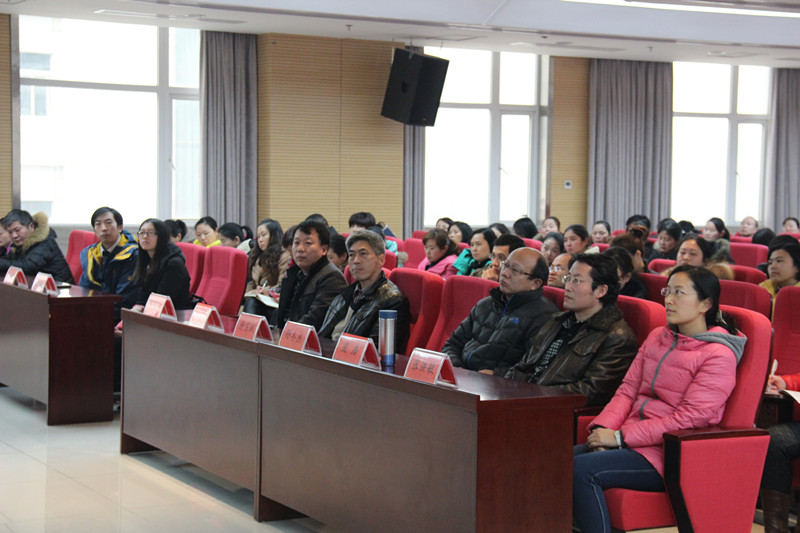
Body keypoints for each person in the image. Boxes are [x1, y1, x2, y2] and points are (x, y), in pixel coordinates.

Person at [573, 266, 744, 533]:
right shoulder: (658, 337)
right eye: (668, 291)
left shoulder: (718, 355)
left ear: (705, 304)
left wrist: (620, 438)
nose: (669, 300)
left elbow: (691, 418)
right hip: (629, 440)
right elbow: (628, 389)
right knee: (552, 460)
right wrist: (603, 430)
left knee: (580, 470)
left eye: (679, 293)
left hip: (669, 453)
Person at [506, 253, 637, 407]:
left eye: (576, 281)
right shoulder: (557, 321)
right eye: (568, 279)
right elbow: (522, 367)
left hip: (552, 409)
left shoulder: (617, 338)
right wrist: (506, 390)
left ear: (601, 291)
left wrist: (533, 395)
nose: (567, 287)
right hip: (524, 400)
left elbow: (589, 392)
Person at [443, 248, 558, 376]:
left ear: (535, 283)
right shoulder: (486, 304)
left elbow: (533, 370)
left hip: (496, 384)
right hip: (462, 377)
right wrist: (456, 369)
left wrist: (496, 375)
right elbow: (452, 344)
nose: (505, 273)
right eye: (506, 265)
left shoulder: (543, 316)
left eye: (515, 270)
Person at [318, 230, 410, 352]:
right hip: (328, 356)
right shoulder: (345, 294)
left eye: (363, 254)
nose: (356, 260)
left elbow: (375, 353)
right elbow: (322, 335)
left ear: (381, 260)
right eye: (351, 255)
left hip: (349, 360)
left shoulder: (393, 300)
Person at [275, 219, 348, 330]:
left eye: (308, 243)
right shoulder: (294, 273)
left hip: (309, 338)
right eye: (296, 243)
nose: (300, 249)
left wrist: (286, 334)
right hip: (289, 335)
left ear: (324, 249)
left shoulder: (332, 277)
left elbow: (314, 321)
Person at [79, 207, 139, 321]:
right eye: (98, 224)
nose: (104, 228)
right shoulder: (89, 254)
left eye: (108, 223)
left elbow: (125, 298)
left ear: (120, 227)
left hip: (120, 317)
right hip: (95, 313)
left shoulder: (133, 255)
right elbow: (85, 289)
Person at [131, 218, 193, 310]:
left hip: (174, 314)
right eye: (142, 232)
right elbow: (142, 293)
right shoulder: (147, 258)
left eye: (151, 233)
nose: (144, 236)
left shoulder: (174, 264)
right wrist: (139, 307)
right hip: (153, 312)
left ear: (162, 236)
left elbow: (161, 300)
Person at [0, 209, 73, 283]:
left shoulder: (44, 243)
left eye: (17, 230)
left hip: (59, 286)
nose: (14, 236)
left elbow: (29, 266)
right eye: (10, 232)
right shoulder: (19, 244)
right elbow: (11, 261)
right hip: (39, 284)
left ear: (31, 226)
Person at [242, 218, 290, 319]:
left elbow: (282, 285)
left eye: (264, 235)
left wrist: (267, 291)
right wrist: (248, 293)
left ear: (274, 236)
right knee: (249, 301)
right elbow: (252, 282)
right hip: (258, 298)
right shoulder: (258, 256)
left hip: (273, 302)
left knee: (252, 303)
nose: (260, 240)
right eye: (258, 236)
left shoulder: (284, 256)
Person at [664, 234, 734, 280]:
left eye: (693, 254)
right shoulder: (668, 277)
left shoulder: (711, 282)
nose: (686, 257)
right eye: (682, 253)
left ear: (705, 261)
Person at [759, 240, 800, 314]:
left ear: (797, 266)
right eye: (770, 263)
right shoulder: (764, 288)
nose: (772, 267)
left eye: (779, 261)